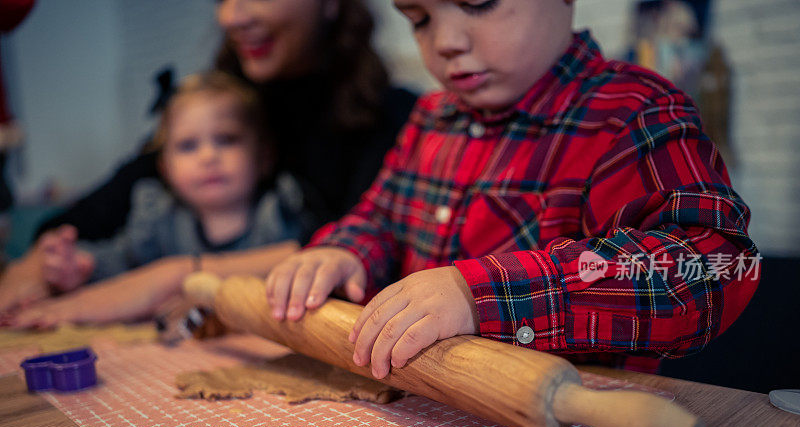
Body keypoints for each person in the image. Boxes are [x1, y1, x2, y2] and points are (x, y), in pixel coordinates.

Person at [264, 0, 759, 380]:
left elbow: (706, 266)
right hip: (427, 411)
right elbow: (381, 220)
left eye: (478, 3)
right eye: (419, 19)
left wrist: (477, 293)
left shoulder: (634, 111)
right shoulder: (432, 118)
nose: (446, 42)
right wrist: (346, 251)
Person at [0, 0, 417, 314]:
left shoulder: (399, 122)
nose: (230, 16)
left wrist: (180, 273)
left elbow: (348, 253)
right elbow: (92, 214)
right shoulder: (218, 105)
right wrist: (42, 263)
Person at [5, 71, 301, 328]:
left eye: (226, 139)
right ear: (165, 169)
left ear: (264, 156)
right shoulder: (157, 219)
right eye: (188, 146)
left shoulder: (279, 214)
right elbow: (121, 264)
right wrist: (81, 267)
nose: (208, 156)